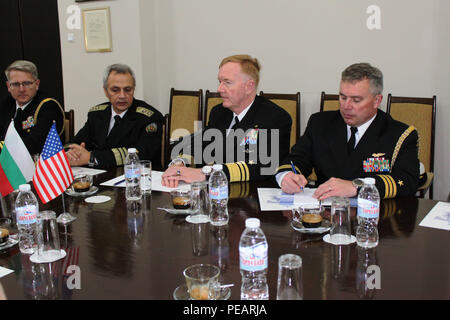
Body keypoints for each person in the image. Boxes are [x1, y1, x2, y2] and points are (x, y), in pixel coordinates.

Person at [277, 62, 420, 199]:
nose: (346, 106)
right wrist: (286, 176)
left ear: (377, 101)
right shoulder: (320, 124)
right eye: (343, 97)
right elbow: (297, 160)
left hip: (373, 215)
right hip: (325, 213)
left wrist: (356, 186)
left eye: (356, 100)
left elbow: (407, 181)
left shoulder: (400, 135)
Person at [162, 54, 292, 187]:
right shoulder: (219, 112)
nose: (219, 89)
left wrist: (205, 173)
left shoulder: (275, 117)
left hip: (253, 197)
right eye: (220, 82)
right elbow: (199, 144)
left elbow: (262, 167)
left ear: (249, 86)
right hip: (218, 193)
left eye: (227, 82)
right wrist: (180, 163)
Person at [67, 64, 163, 169]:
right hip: (99, 176)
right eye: (115, 90)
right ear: (105, 91)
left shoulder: (149, 117)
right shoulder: (97, 114)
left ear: (134, 89)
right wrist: (72, 152)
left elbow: (141, 153)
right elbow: (75, 142)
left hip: (133, 177)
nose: (122, 96)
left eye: (127, 89)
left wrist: (92, 157)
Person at [0, 60, 64, 155]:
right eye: (16, 84)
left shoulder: (48, 107)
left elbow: (33, 145)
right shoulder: (6, 104)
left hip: (37, 164)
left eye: (27, 83)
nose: (21, 89)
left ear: (37, 84)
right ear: (8, 86)